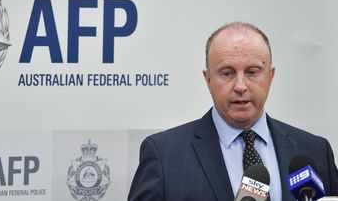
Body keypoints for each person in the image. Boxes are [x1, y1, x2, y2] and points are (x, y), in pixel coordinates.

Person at [128, 22, 338, 201]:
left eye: (252, 72)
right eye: (227, 73)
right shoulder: (165, 155)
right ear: (208, 79)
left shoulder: (314, 151)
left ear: (270, 76)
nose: (240, 86)